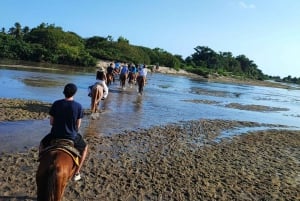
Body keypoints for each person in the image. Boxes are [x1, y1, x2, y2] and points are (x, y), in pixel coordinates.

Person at [39, 83, 88, 181]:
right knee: (85, 148)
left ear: (64, 92)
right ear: (74, 93)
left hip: (55, 135)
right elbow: (78, 125)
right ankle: (77, 172)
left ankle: (41, 163)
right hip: (71, 136)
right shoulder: (78, 106)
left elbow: (51, 122)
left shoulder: (56, 103)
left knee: (42, 144)